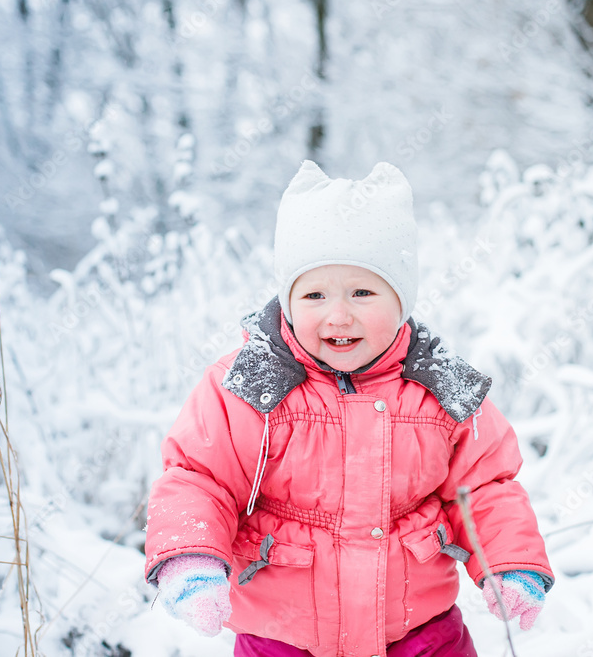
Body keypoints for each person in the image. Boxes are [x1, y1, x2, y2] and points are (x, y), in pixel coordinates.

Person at [144, 161, 553, 657]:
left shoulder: (442, 384)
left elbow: (486, 487)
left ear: (401, 298)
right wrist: (190, 559)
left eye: (363, 291)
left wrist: (511, 563)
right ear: (288, 300)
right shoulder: (252, 384)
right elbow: (197, 477)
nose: (339, 314)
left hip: (420, 633)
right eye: (315, 294)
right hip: (283, 635)